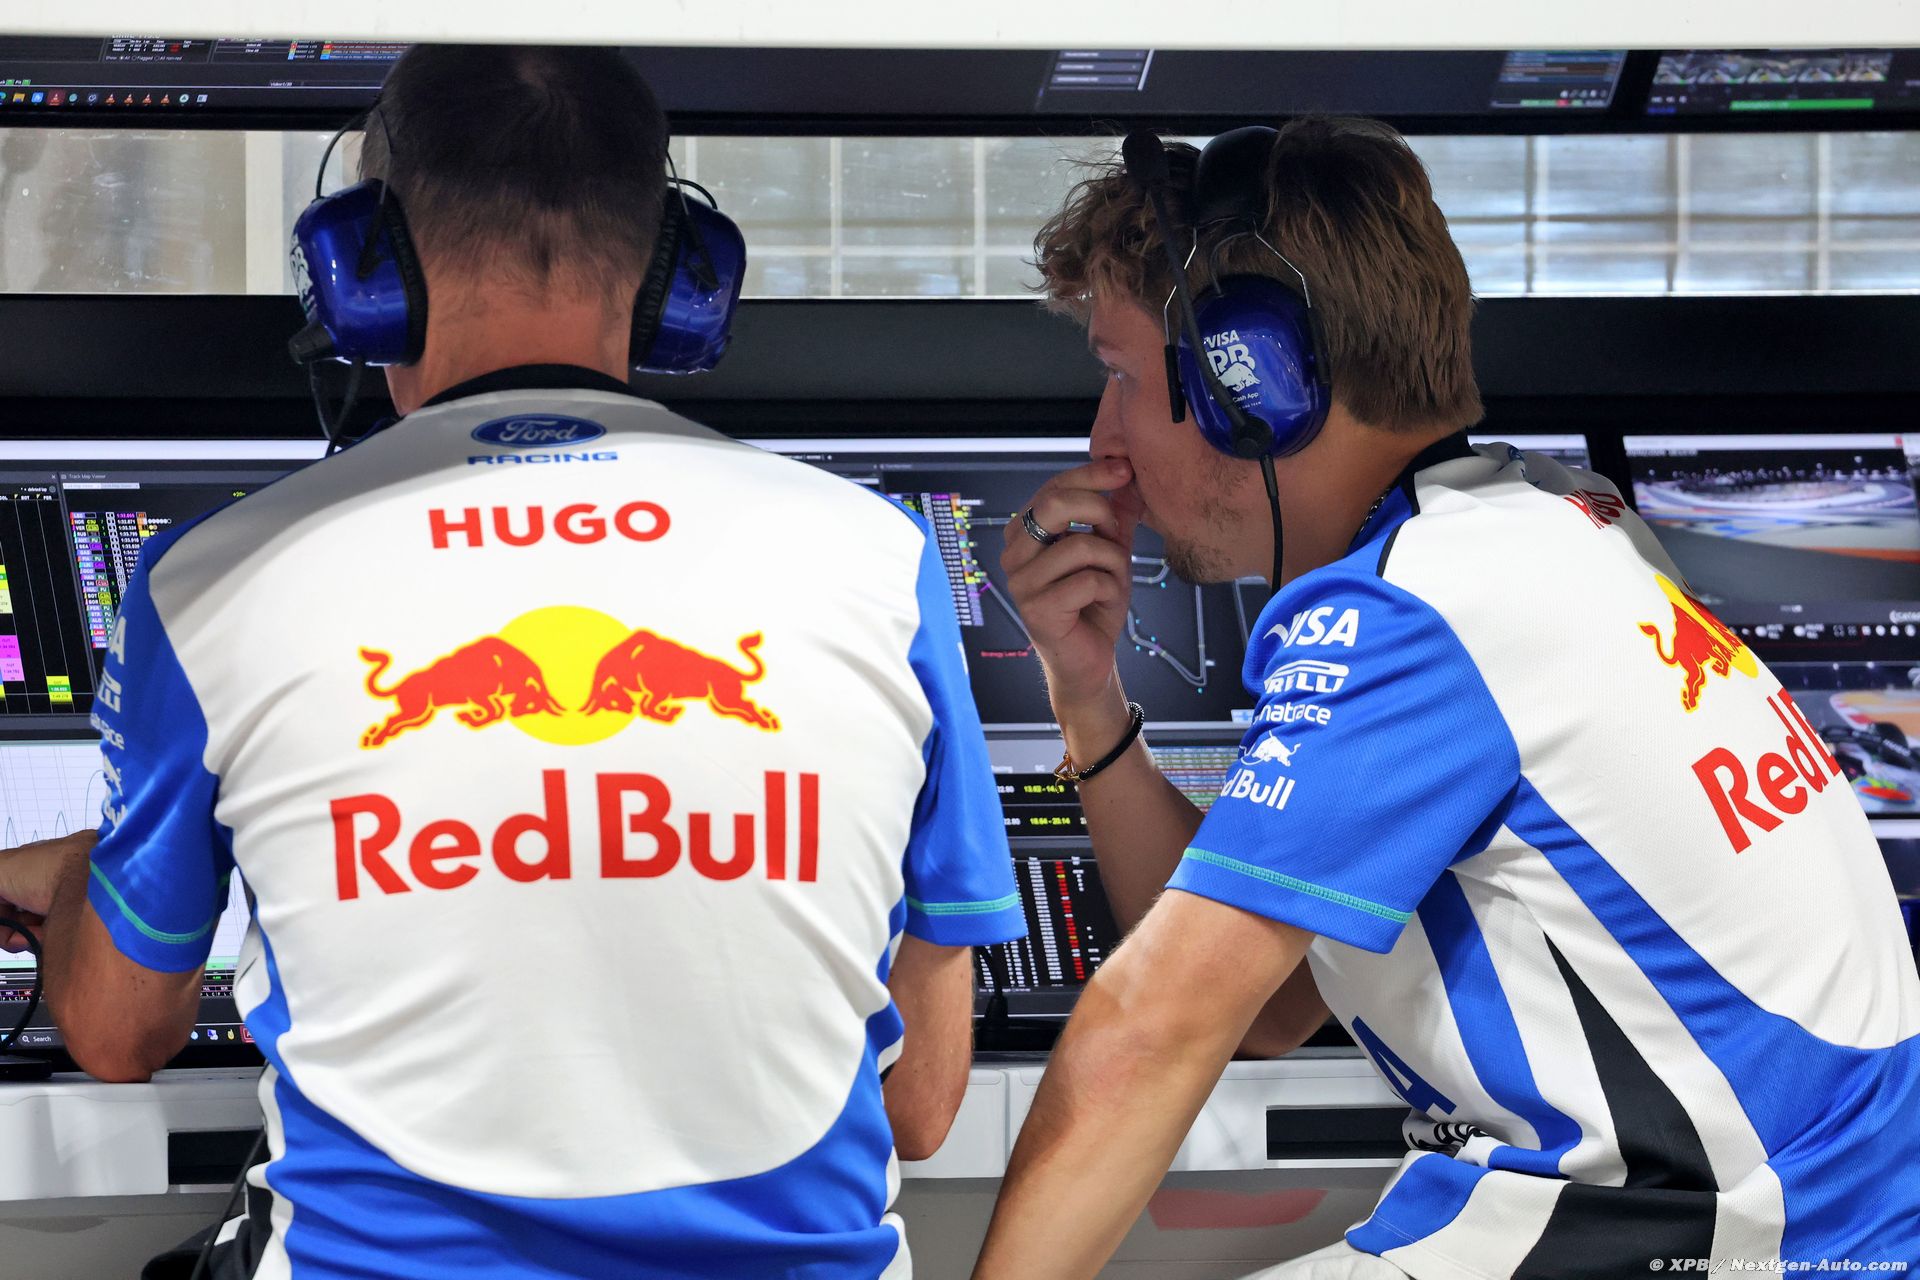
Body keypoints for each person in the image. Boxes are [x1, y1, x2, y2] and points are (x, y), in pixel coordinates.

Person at [0, 45, 1023, 1278]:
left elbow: (120, 1033)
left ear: (365, 272)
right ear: (675, 275)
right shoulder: (886, 558)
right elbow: (920, 1102)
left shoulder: (211, 578)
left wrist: (82, 882)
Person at [971, 118, 1920, 1279]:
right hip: (1810, 1230)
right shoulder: (1551, 522)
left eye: (1120, 377)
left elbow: (1153, 1024)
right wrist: (1088, 694)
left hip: (1712, 1242)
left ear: (1250, 376)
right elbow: (1272, 1011)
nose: (1101, 440)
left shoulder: (1419, 606)